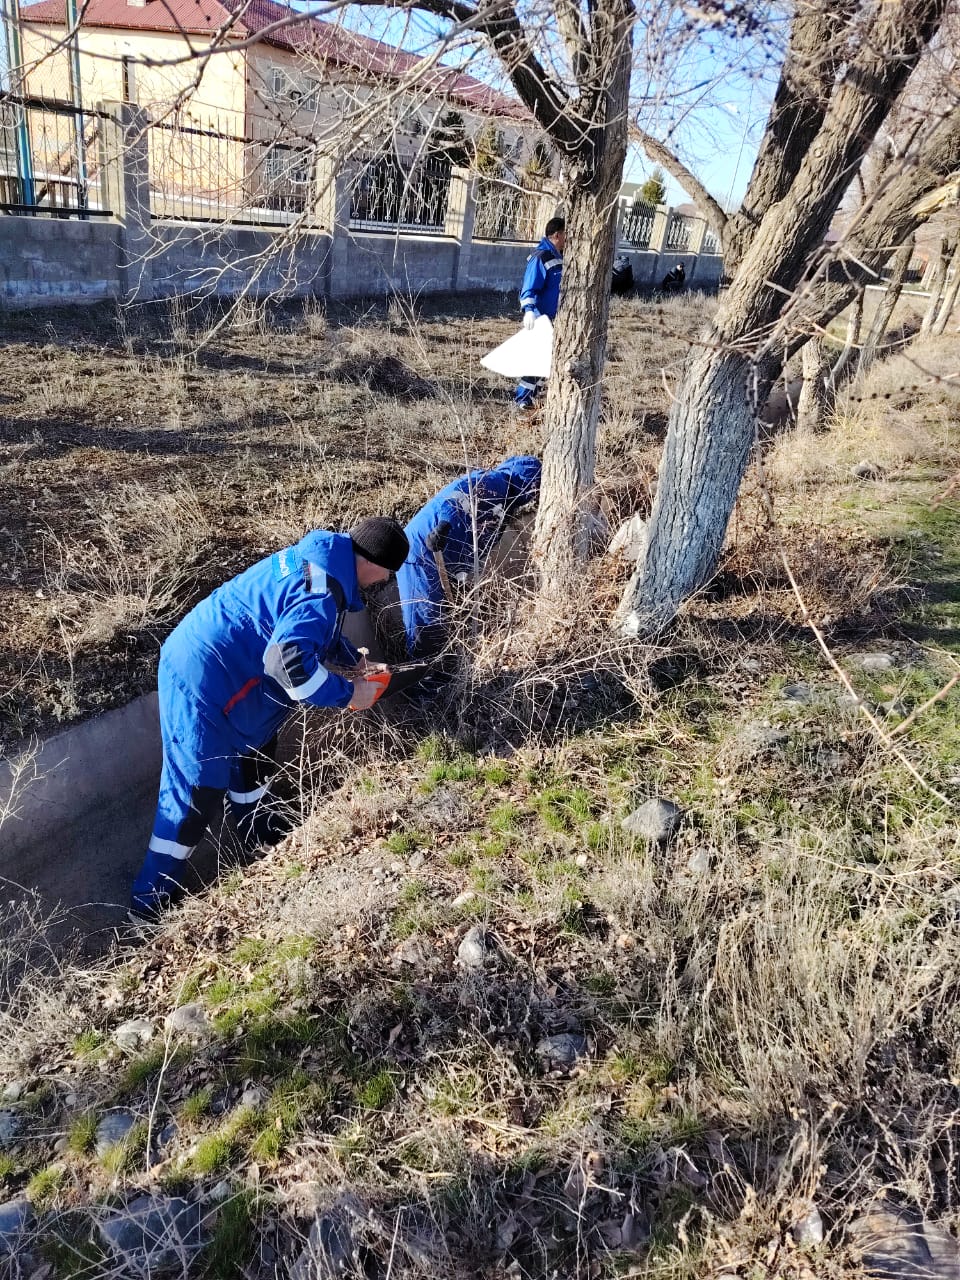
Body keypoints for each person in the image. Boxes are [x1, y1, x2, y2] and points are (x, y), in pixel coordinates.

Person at [130, 517, 410, 919]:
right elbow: (288, 664)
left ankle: (255, 833)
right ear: (376, 563)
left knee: (256, 754)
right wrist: (350, 694)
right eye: (387, 572)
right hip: (201, 678)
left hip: (233, 673)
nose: (383, 581)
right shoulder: (322, 588)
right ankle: (149, 902)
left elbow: (313, 633)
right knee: (197, 789)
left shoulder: (325, 564)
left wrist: (352, 662)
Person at [396, 456, 541, 661]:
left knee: (439, 619)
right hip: (424, 550)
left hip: (443, 556)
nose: (533, 495)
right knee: (424, 622)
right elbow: (457, 499)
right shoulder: (493, 483)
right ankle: (423, 682)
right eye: (534, 488)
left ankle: (439, 668)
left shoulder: (505, 501)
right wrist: (444, 526)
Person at [515, 217, 566, 414]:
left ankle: (532, 398)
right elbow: (529, 288)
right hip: (539, 319)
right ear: (557, 234)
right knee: (535, 360)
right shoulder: (541, 257)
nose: (568, 239)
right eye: (566, 234)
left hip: (552, 320)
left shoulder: (558, 256)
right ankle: (523, 401)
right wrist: (529, 312)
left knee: (544, 361)